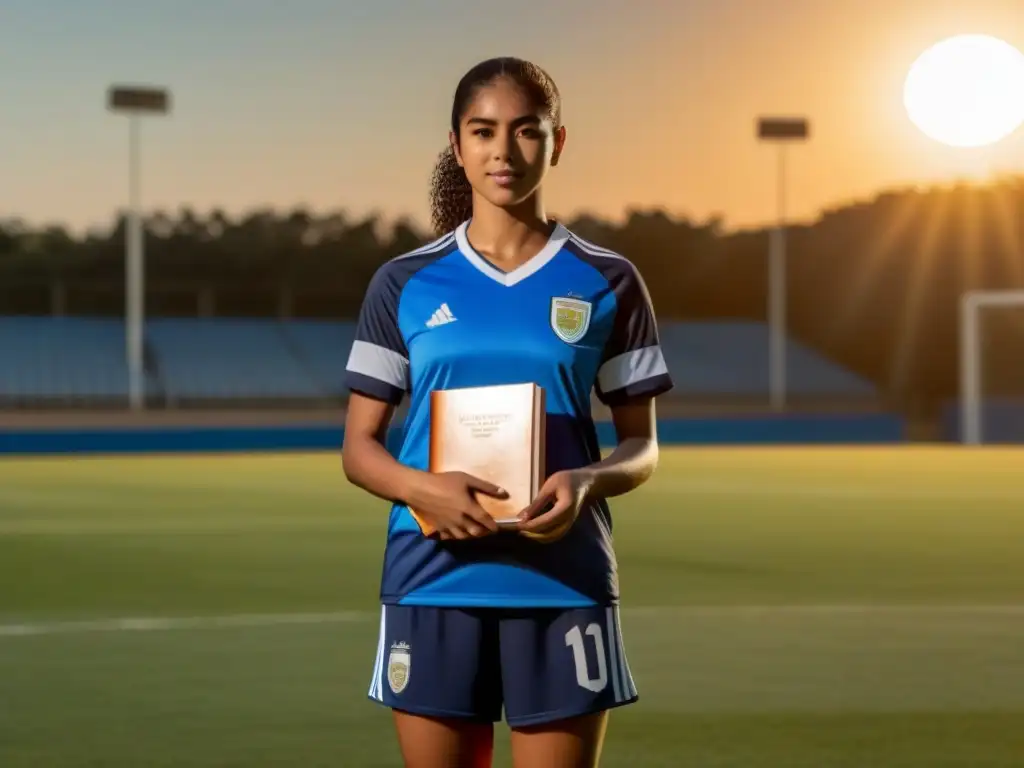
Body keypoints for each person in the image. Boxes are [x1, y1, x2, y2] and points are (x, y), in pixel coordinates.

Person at [341, 56, 674, 768]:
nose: (504, 151)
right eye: (484, 131)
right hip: (431, 576)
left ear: (556, 143)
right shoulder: (403, 282)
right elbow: (359, 449)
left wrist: (588, 482)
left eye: (526, 131)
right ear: (457, 145)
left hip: (562, 577)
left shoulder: (608, 279)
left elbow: (640, 448)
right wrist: (419, 486)